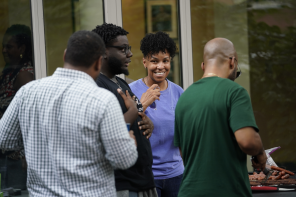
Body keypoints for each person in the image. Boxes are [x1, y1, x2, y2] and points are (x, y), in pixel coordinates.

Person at [0, 30, 138, 196]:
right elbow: (123, 160)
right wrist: (129, 141)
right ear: (98, 62)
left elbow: (4, 140)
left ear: (65, 56)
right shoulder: (102, 100)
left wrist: (34, 141)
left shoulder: (27, 92)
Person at [174, 38, 267, 197]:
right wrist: (261, 155)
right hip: (227, 191)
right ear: (232, 62)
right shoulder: (235, 92)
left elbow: (183, 152)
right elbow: (248, 142)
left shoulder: (184, 98)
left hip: (188, 192)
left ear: (203, 66)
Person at [92, 23, 157, 197]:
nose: (130, 54)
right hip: (122, 185)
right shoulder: (97, 86)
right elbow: (103, 133)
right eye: (123, 49)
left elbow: (134, 113)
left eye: (128, 48)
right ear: (103, 51)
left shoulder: (120, 83)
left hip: (142, 181)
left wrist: (146, 123)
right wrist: (133, 113)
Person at [129, 31, 184, 197]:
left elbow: (183, 137)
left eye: (165, 61)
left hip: (176, 175)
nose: (160, 66)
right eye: (154, 61)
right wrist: (142, 104)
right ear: (145, 62)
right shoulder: (131, 91)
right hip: (146, 176)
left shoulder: (178, 92)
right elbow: (124, 128)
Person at [0, 24, 34, 190]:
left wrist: (26, 153)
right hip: (6, 152)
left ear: (22, 48)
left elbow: (30, 115)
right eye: (3, 47)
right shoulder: (9, 71)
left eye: (9, 47)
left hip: (17, 156)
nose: (4, 50)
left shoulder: (24, 75)